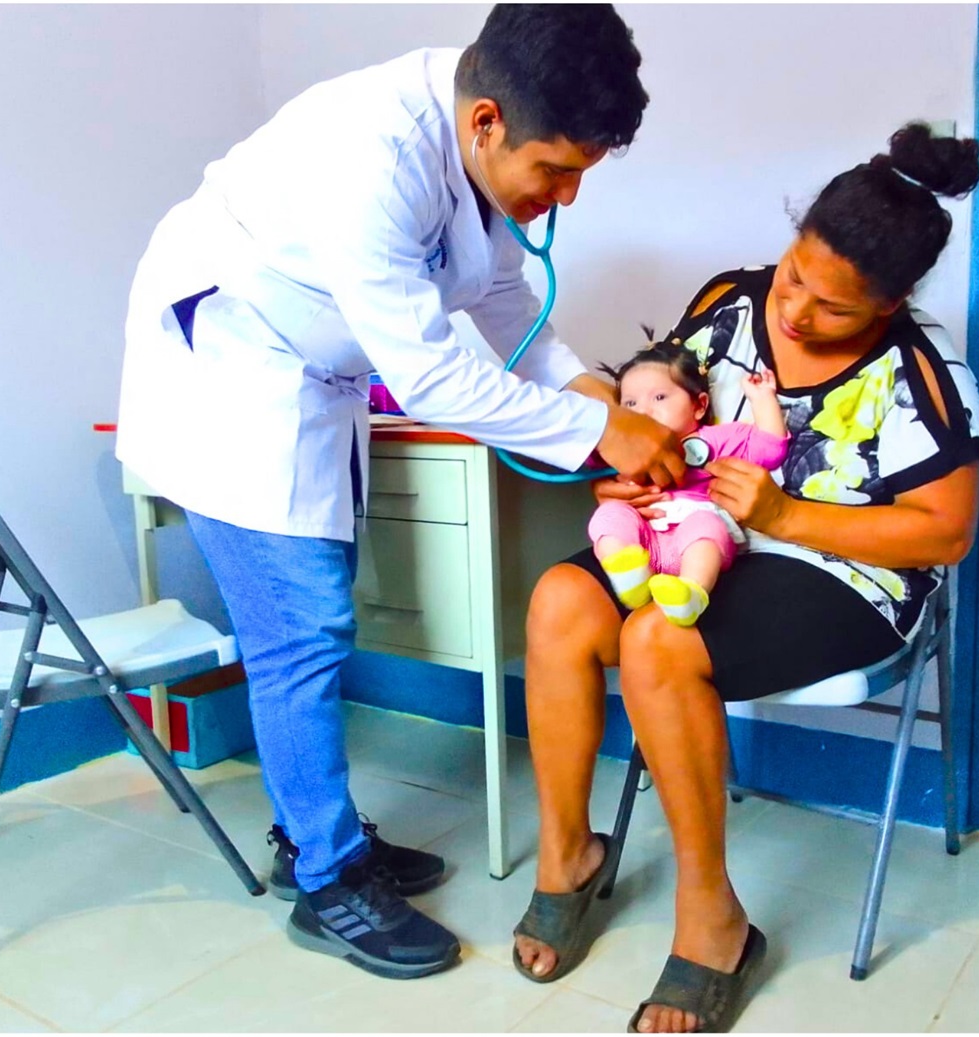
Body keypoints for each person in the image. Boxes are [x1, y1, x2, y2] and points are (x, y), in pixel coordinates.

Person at [116, 4, 687, 982]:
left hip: (307, 380)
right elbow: (429, 377)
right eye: (557, 170)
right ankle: (326, 880)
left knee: (313, 623)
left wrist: (587, 384)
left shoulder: (473, 143)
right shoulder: (370, 154)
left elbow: (506, 304)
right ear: (488, 123)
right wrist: (604, 430)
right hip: (229, 377)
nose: (565, 197)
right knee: (299, 636)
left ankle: (321, 834)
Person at [512, 122, 979, 1032]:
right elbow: (665, 408)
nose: (797, 312)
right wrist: (636, 461)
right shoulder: (733, 300)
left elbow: (947, 533)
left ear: (890, 305)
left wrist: (780, 516)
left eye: (834, 307)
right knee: (561, 599)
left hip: (845, 572)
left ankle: (713, 922)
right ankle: (567, 856)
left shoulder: (922, 370)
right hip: (698, 534)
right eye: (796, 273)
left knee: (659, 636)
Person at [589, 340, 788, 627]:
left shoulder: (714, 439)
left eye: (659, 398)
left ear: (699, 405)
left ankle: (691, 593)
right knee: (608, 517)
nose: (642, 411)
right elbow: (587, 458)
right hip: (644, 541)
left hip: (692, 539)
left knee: (707, 525)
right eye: (630, 403)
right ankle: (628, 575)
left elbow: (771, 449)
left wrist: (762, 399)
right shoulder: (624, 448)